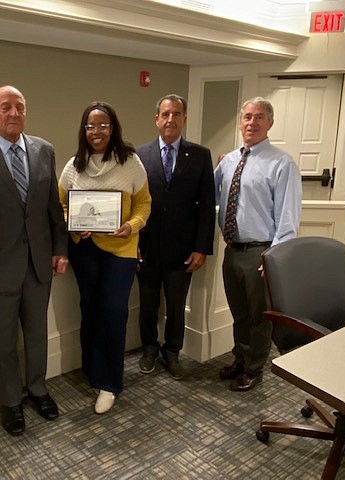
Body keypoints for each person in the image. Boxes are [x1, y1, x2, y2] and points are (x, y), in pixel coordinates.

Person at [0, 85, 68, 436]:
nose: (14, 113)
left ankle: (37, 389)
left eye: (20, 107)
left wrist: (60, 248)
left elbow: (53, 207)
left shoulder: (44, 151)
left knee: (37, 334)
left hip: (38, 264)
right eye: (6, 107)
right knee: (2, 341)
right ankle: (10, 402)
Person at [59, 101, 151, 414]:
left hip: (121, 251)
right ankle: (92, 371)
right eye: (90, 126)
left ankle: (110, 383)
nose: (96, 132)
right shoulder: (74, 166)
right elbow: (60, 206)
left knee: (113, 312)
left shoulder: (131, 163)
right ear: (83, 130)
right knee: (90, 310)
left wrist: (131, 226)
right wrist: (75, 226)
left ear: (113, 128)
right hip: (85, 250)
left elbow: (144, 205)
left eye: (102, 125)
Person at [214, 97, 302, 392]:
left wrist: (273, 258)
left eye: (259, 117)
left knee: (259, 316)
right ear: (241, 122)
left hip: (261, 251)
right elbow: (213, 195)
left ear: (270, 124)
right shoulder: (228, 161)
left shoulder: (282, 163)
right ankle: (239, 360)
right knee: (239, 312)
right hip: (232, 250)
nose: (252, 123)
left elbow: (288, 218)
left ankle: (254, 368)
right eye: (247, 117)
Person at [136, 94, 216, 380]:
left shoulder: (200, 155)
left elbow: (207, 205)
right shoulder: (139, 155)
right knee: (147, 304)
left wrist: (201, 248)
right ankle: (148, 349)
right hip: (146, 248)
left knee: (176, 305)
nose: (171, 119)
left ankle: (172, 352)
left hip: (183, 249)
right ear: (157, 119)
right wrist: (132, 245)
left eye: (177, 114)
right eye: (166, 114)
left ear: (184, 119)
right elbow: (131, 202)